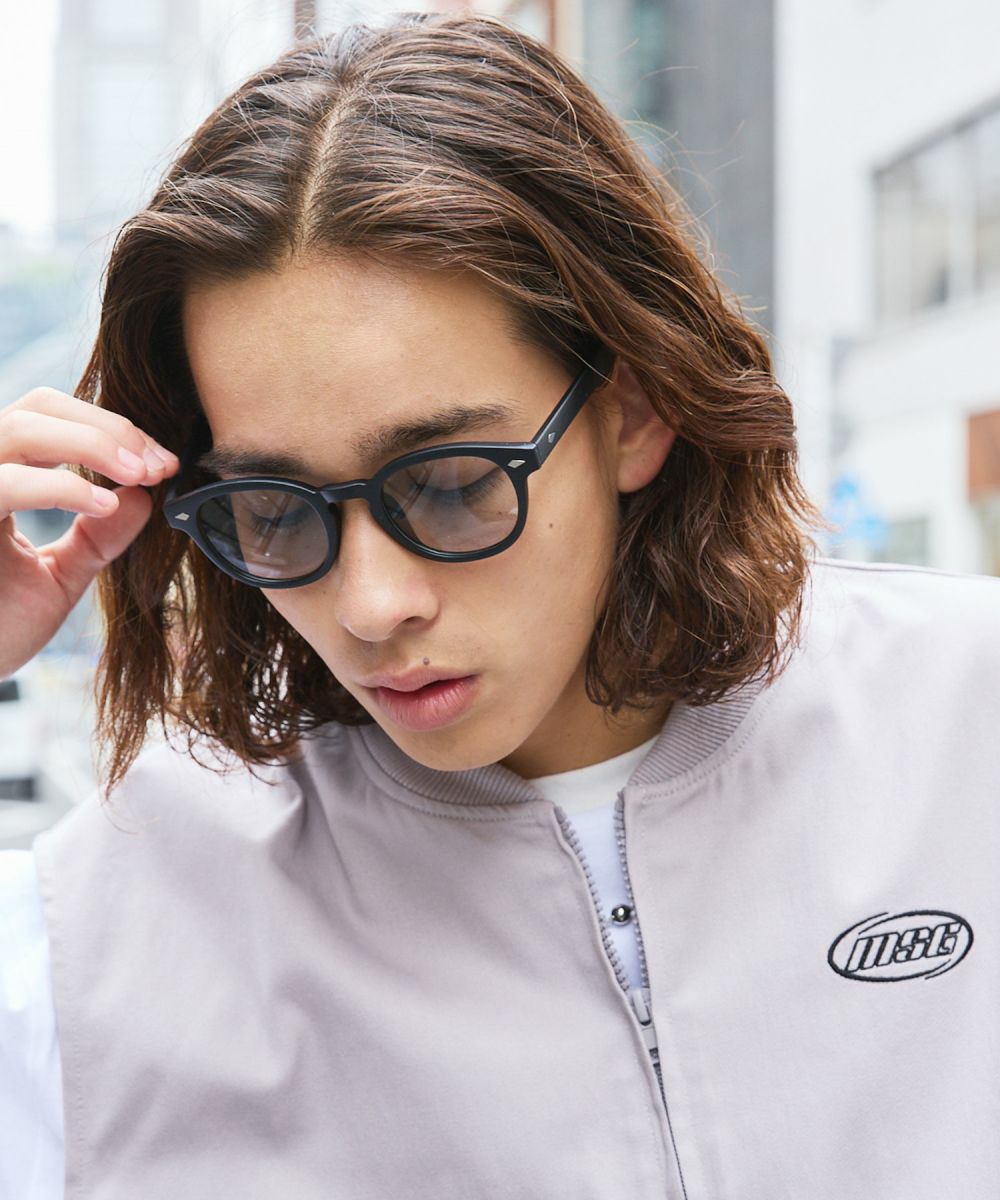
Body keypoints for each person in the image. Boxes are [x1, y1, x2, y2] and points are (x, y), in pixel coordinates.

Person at [1, 12, 997, 1200]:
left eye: (451, 482)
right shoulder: (109, 930)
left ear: (633, 410)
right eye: (274, 509)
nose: (370, 603)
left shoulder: (966, 727)